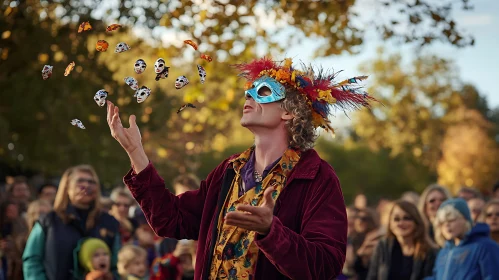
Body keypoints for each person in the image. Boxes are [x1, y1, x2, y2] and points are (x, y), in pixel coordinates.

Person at [106, 57, 375, 279]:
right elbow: (172, 219)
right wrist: (136, 152)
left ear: (290, 112)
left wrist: (272, 231)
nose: (249, 96)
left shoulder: (317, 177)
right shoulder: (229, 170)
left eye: (264, 91)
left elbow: (325, 266)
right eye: (249, 90)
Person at [23, 165, 121, 280]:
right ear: (67, 187)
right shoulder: (48, 221)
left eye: (91, 182)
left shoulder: (109, 222)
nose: (86, 185)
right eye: (80, 181)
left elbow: (117, 265)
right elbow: (32, 260)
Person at [428, 198, 499, 279]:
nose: (447, 225)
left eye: (451, 219)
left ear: (465, 219)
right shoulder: (444, 251)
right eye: (442, 222)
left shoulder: (485, 247)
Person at [367, 200, 437, 280]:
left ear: (416, 222)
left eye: (406, 218)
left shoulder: (429, 251)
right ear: (390, 224)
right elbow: (372, 277)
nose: (401, 223)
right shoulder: (382, 246)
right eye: (396, 219)